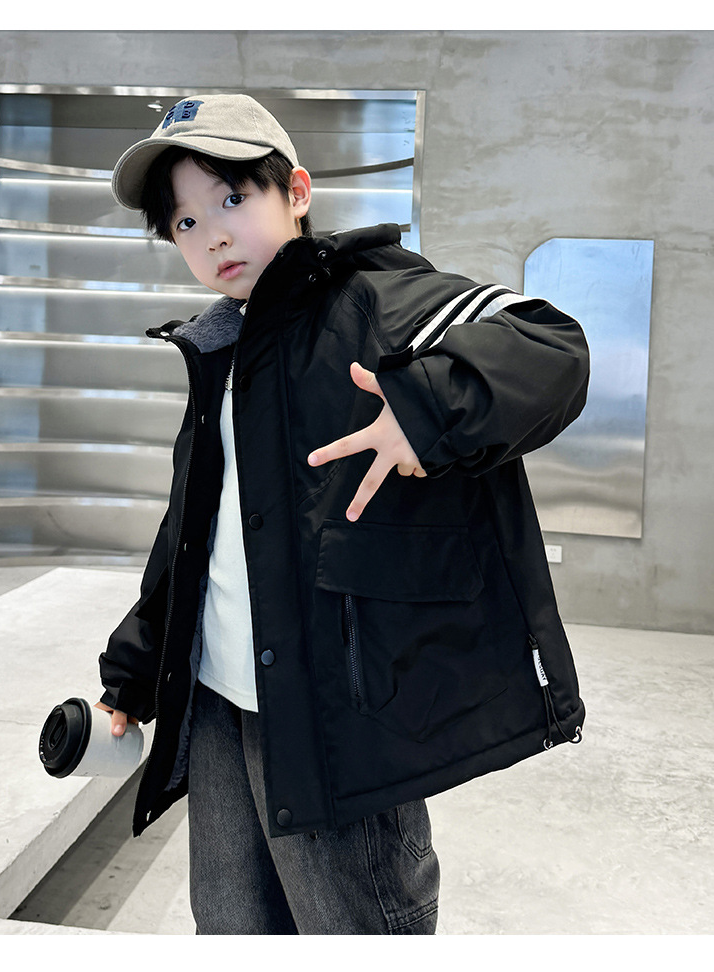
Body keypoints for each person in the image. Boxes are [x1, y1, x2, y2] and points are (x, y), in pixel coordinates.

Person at [96, 94, 590, 935]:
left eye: (232, 198)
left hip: (334, 714)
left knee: (355, 925)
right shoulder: (220, 348)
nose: (211, 235)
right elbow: (197, 532)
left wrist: (423, 408)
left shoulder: (379, 301)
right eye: (184, 222)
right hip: (218, 701)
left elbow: (554, 347)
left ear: (296, 191)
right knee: (231, 923)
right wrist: (136, 671)